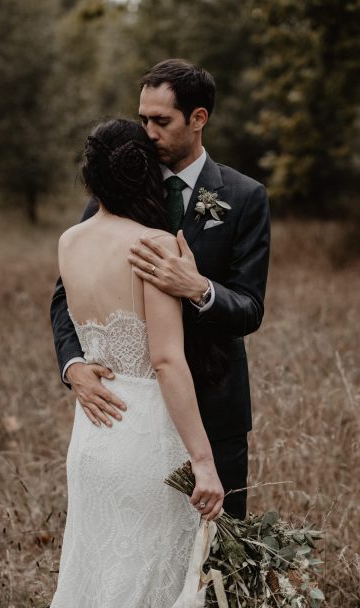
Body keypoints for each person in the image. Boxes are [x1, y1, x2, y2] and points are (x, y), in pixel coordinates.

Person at [51, 59, 271, 521]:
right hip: (134, 412)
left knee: (217, 555)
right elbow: (63, 293)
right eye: (143, 119)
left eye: (161, 121)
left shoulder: (246, 196)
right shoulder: (117, 186)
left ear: (198, 119)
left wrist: (199, 289)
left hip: (214, 405)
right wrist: (74, 366)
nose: (148, 133)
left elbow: (250, 309)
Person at [49, 119, 224, 607]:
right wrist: (205, 463)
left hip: (93, 431)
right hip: (147, 433)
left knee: (98, 570)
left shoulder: (69, 241)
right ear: (146, 173)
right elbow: (167, 361)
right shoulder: (155, 245)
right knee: (146, 580)